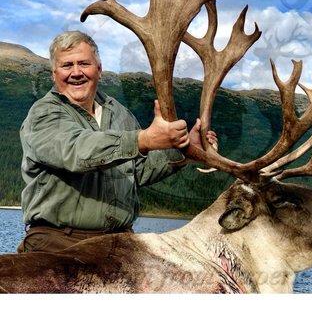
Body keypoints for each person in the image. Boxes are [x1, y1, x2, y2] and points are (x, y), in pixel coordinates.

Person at [17, 31, 216, 253]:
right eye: (66, 65)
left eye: (84, 63)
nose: (76, 72)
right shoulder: (43, 114)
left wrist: (184, 151)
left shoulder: (120, 113)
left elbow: (138, 171)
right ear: (54, 74)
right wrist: (144, 139)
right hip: (58, 243)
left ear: (99, 70)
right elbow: (77, 150)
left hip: (120, 243)